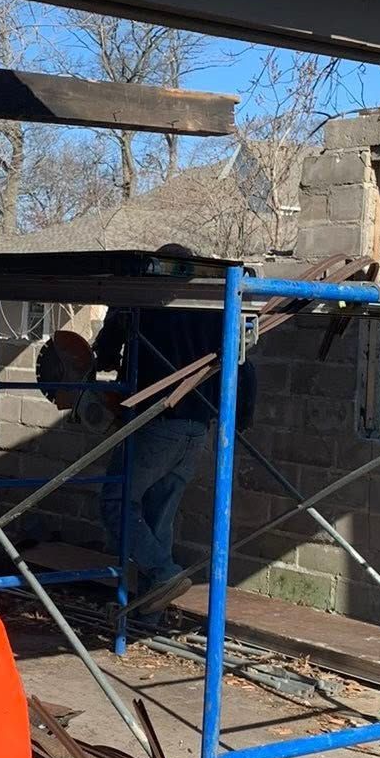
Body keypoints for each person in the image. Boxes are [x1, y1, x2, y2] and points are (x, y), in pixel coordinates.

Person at [92, 246, 255, 613]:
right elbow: (246, 367)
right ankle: (152, 614)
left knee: (116, 502)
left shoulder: (143, 302)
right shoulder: (216, 309)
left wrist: (107, 346)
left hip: (158, 420)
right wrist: (240, 418)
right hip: (198, 428)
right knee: (157, 514)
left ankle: (162, 574)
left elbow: (103, 352)